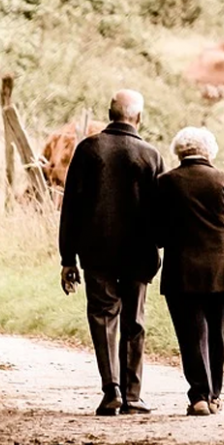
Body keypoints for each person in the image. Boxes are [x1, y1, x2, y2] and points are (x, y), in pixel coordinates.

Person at [58, 90, 164, 416]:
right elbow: (161, 211)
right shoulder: (150, 155)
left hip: (96, 251)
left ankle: (111, 390)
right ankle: (133, 395)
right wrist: (159, 246)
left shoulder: (89, 149)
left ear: (109, 113)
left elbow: (71, 207)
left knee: (103, 317)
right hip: (139, 253)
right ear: (139, 118)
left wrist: (67, 258)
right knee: (134, 321)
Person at [155, 127, 224, 416]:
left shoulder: (165, 183)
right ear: (209, 151)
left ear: (178, 151)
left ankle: (199, 396)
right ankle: (214, 395)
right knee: (218, 332)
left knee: (191, 335)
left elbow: (157, 233)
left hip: (182, 272)